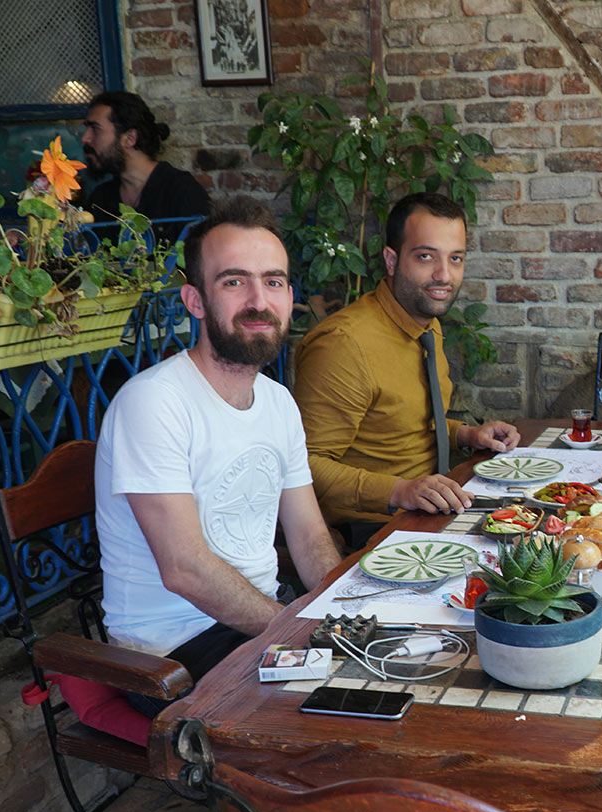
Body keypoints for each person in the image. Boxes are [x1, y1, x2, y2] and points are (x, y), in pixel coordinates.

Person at [96, 196, 340, 714]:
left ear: (289, 296)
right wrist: (296, 630)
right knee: (346, 711)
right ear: (195, 300)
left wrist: (340, 613)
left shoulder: (277, 401)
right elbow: (183, 569)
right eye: (234, 282)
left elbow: (309, 535)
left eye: (273, 281)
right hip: (172, 655)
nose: (258, 300)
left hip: (257, 622)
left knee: (398, 667)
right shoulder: (155, 402)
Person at [293, 192, 519, 545]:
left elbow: (401, 424)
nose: (444, 275)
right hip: (372, 530)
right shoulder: (343, 345)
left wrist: (467, 435)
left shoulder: (426, 323)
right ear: (391, 260)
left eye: (455, 258)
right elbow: (305, 465)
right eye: (426, 256)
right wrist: (400, 491)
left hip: (435, 510)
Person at [80, 91, 210, 236]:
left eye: (95, 129)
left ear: (130, 138)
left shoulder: (182, 191)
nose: (85, 138)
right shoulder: (100, 199)